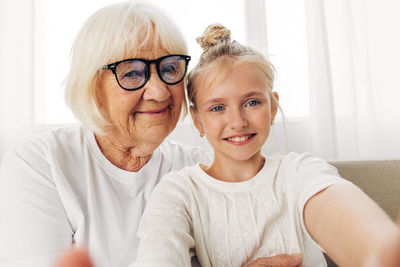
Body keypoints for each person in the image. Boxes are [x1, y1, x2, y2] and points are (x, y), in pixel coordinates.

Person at [0, 2, 301, 267]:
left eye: (170, 68)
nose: (159, 92)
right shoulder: (40, 165)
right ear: (93, 87)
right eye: (132, 73)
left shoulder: (203, 169)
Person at [130, 24, 400, 267]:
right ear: (198, 119)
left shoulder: (300, 173)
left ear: (273, 107)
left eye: (252, 103)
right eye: (218, 107)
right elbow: (158, 254)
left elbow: (347, 220)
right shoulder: (179, 192)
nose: (237, 121)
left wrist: (379, 249)